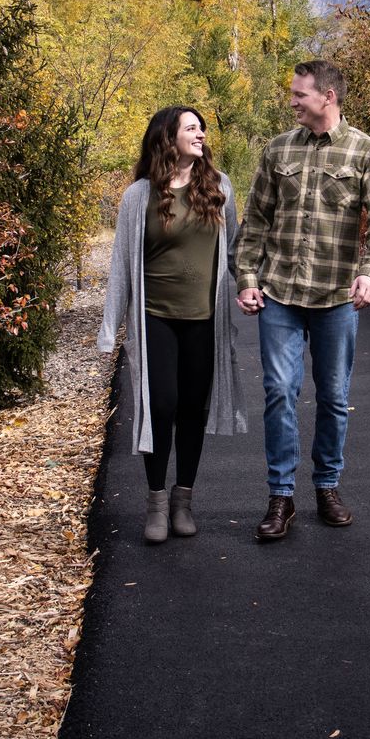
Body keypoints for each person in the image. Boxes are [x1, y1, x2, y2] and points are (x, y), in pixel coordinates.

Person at [235, 60, 370, 541]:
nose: (292, 101)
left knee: (334, 397)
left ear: (327, 96)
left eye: (299, 94)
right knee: (280, 392)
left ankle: (327, 485)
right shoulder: (277, 150)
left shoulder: (366, 152)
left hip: (336, 298)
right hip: (280, 294)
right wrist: (247, 277)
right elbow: (255, 224)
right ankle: (280, 496)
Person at [98, 106, 247, 544]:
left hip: (205, 319)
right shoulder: (139, 196)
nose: (201, 134)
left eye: (202, 128)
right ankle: (157, 502)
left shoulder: (220, 188)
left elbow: (235, 250)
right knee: (160, 405)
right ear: (168, 138)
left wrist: (255, 287)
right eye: (191, 128)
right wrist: (110, 329)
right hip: (155, 318)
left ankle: (184, 501)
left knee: (192, 410)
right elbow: (122, 265)